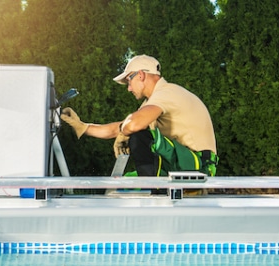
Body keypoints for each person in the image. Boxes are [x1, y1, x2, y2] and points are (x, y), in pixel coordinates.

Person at [60, 55, 218, 177]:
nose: (128, 88)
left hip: (200, 166)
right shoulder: (153, 102)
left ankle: (153, 190)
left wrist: (126, 130)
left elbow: (133, 126)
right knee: (125, 184)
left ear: (141, 75)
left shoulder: (167, 93)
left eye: (129, 80)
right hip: (183, 162)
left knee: (139, 135)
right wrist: (82, 126)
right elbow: (121, 127)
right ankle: (150, 188)